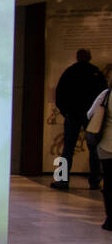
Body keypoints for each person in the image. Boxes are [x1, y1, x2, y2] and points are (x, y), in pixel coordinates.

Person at [52, 48, 106, 190]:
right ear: (89, 57)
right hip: (91, 117)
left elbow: (60, 94)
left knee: (67, 149)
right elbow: (103, 96)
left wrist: (66, 112)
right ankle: (94, 180)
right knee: (93, 149)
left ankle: (62, 181)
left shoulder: (70, 72)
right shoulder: (96, 73)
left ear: (77, 57)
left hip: (73, 116)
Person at [89, 83, 112, 229]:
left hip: (106, 144)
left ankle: (110, 219)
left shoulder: (106, 94)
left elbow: (90, 114)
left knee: (109, 182)